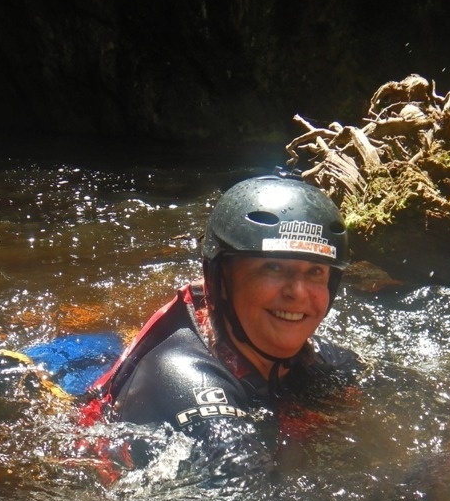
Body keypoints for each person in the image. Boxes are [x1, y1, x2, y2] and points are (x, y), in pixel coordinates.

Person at [77, 173, 364, 479]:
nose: (298, 292)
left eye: (315, 272)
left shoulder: (318, 361)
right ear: (222, 280)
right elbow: (255, 497)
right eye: (274, 267)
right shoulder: (187, 382)